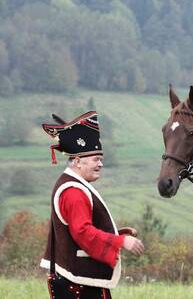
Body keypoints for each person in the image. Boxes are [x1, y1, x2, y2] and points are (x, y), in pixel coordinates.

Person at [40, 111, 144, 299]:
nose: (101, 164)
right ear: (78, 161)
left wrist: (116, 233)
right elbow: (82, 232)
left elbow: (75, 230)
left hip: (77, 280)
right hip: (79, 283)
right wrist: (121, 241)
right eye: (96, 159)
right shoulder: (74, 192)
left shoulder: (70, 184)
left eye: (101, 159)